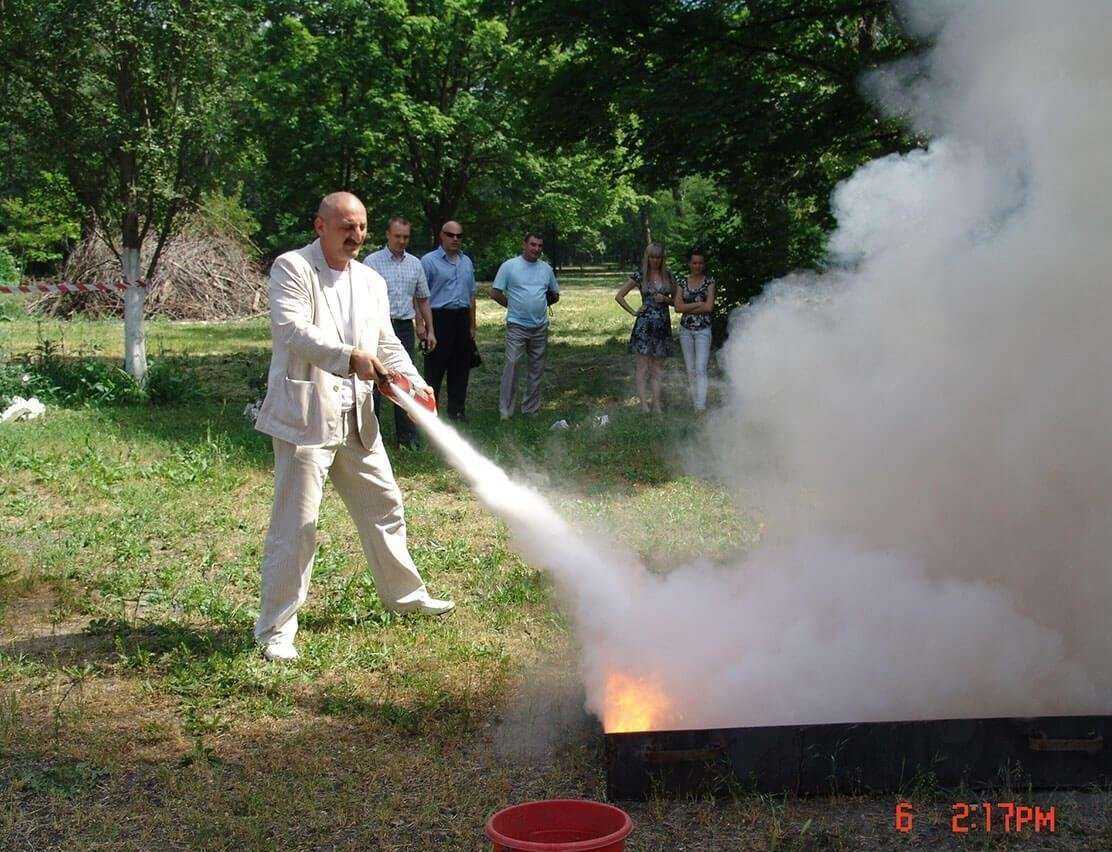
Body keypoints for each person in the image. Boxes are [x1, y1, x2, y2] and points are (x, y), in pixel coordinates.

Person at [253, 192, 454, 662]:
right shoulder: (292, 268)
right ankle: (276, 629)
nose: (356, 235)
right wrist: (349, 359)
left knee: (385, 503)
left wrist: (414, 385)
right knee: (296, 525)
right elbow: (294, 332)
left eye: (362, 227)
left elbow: (385, 342)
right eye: (346, 226)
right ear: (319, 225)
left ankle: (405, 597)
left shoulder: (370, 280)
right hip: (306, 419)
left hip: (358, 419)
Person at [364, 216, 436, 449]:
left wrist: (428, 329)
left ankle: (407, 439)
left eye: (406, 237)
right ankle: (368, 438)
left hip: (404, 327)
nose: (402, 241)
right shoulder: (372, 262)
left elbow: (423, 300)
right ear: (388, 235)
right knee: (374, 380)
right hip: (375, 327)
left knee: (405, 383)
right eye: (397, 236)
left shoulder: (415, 264)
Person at [491, 232, 560, 419]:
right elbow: (495, 292)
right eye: (532, 245)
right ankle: (505, 411)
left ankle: (531, 409)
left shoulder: (546, 269)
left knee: (536, 369)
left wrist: (545, 301)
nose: (536, 249)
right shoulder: (509, 266)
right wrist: (511, 305)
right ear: (524, 245)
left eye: (539, 246)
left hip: (540, 327)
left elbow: (555, 294)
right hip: (517, 326)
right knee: (511, 366)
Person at [420, 221, 477, 421]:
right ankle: (430, 414)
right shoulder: (428, 261)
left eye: (459, 236)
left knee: (461, 367)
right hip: (438, 318)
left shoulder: (466, 262)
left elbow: (471, 295)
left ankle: (457, 411)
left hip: (461, 318)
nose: (455, 239)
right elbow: (419, 296)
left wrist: (472, 325)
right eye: (450, 235)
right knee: (435, 369)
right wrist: (424, 327)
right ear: (441, 236)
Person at [615, 242, 675, 412]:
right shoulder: (640, 275)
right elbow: (619, 296)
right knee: (642, 367)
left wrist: (666, 300)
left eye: (658, 257)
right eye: (652, 257)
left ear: (662, 259)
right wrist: (634, 312)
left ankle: (656, 403)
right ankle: (643, 404)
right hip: (644, 326)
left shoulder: (668, 275)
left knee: (657, 367)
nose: (655, 260)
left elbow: (677, 302)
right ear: (647, 258)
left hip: (662, 326)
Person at [673, 247, 716, 413]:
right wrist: (698, 304)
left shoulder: (709, 282)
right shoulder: (682, 281)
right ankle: (694, 402)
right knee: (690, 368)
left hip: (703, 330)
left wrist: (687, 307)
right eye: (694, 262)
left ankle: (700, 406)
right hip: (685, 330)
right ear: (689, 264)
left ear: (703, 264)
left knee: (700, 368)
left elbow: (709, 307)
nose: (697, 265)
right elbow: (677, 307)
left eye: (700, 263)